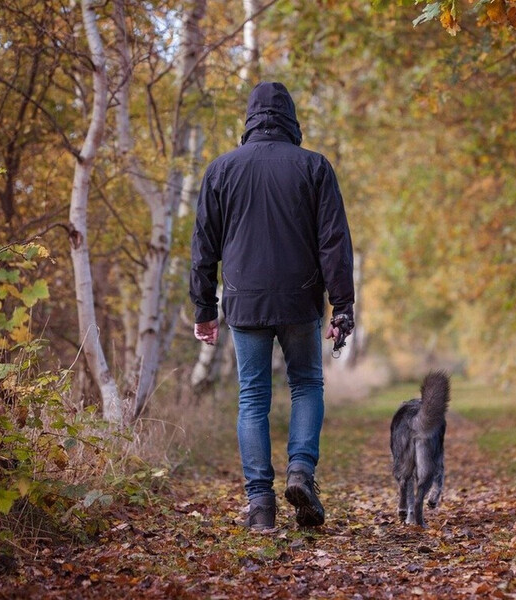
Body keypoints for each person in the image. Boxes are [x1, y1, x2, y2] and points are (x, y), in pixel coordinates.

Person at [189, 82, 355, 530]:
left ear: (249, 118)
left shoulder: (221, 170)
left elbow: (204, 245)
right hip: (301, 299)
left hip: (244, 302)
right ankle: (301, 471)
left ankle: (260, 504)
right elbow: (334, 242)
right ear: (291, 118)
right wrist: (342, 306)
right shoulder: (314, 167)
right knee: (305, 385)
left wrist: (204, 307)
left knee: (252, 398)